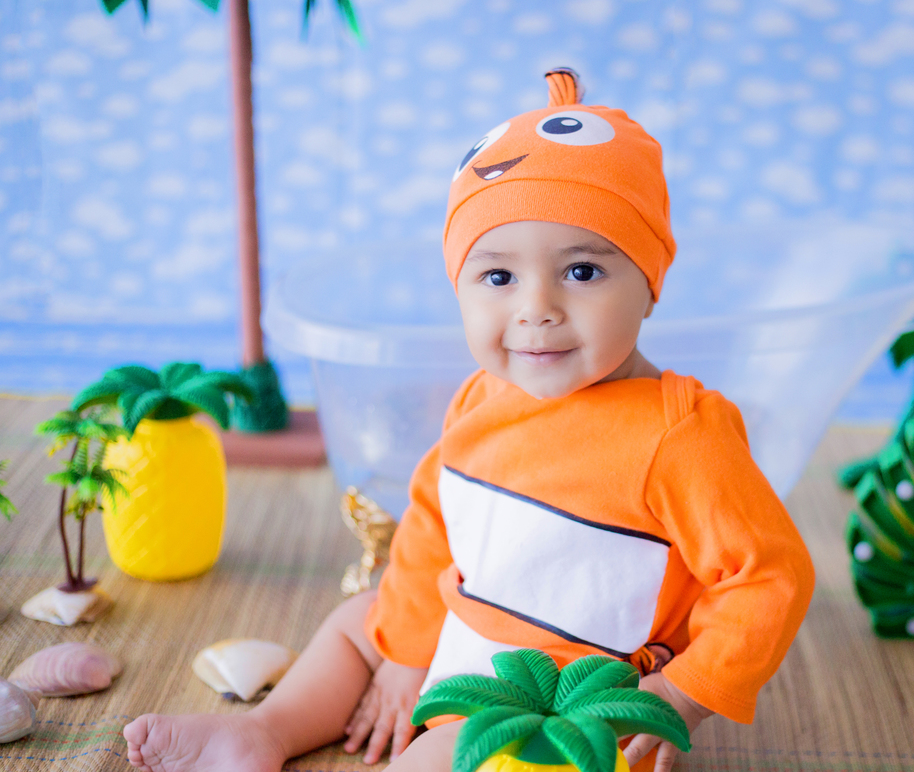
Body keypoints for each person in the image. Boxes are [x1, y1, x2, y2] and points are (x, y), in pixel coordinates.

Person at [124, 68, 815, 772]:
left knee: (442, 758)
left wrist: (677, 694)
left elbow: (768, 578)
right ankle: (264, 732)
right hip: (465, 624)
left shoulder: (680, 432)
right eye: (498, 277)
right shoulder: (480, 399)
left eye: (581, 272)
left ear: (650, 284)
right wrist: (404, 651)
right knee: (354, 626)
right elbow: (429, 529)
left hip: (563, 691)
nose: (535, 307)